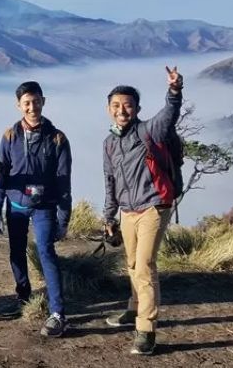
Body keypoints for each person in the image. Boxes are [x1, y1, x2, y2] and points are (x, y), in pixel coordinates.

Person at [102, 66, 183, 355]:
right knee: (133, 264)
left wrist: (174, 91)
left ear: (137, 108)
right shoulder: (110, 143)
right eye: (115, 105)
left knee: (145, 265)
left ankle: (145, 330)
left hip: (153, 206)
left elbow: (168, 114)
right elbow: (109, 181)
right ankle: (134, 307)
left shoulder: (150, 131)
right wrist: (109, 217)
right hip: (126, 211)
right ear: (109, 109)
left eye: (127, 105)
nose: (121, 110)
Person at [0, 81, 72, 338]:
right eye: (26, 102)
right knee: (16, 251)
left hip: (44, 205)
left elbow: (63, 180)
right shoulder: (9, 136)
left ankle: (58, 312)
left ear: (43, 102)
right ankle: (23, 296)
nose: (32, 106)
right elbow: (0, 175)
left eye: (36, 101)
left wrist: (64, 217)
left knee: (46, 252)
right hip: (15, 204)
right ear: (19, 106)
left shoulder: (57, 138)